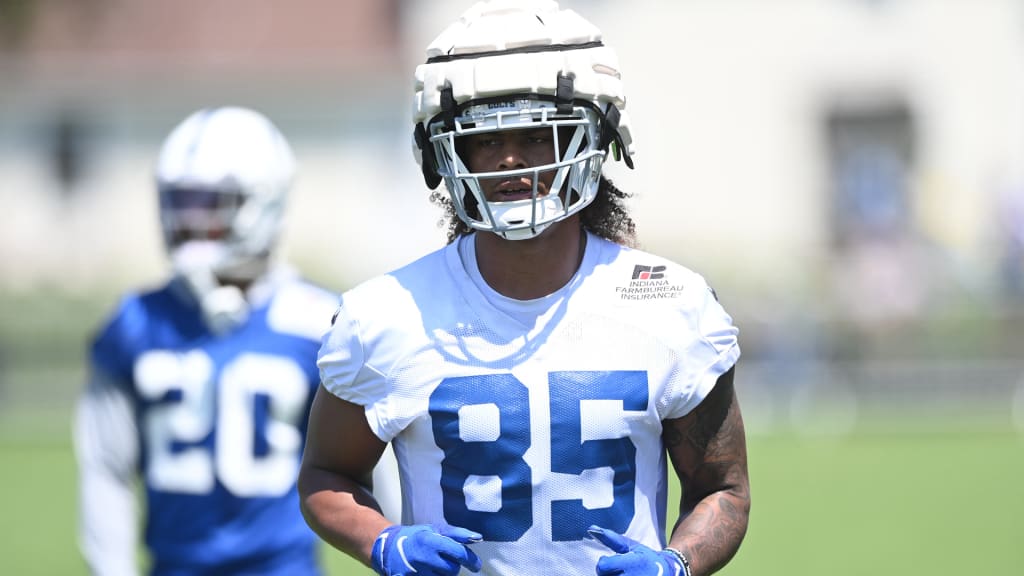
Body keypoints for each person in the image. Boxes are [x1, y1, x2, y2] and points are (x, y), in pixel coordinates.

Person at [298, 1, 750, 575]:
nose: (509, 161)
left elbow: (724, 489)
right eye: (485, 141)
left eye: (537, 135)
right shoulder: (384, 315)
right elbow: (326, 474)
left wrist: (676, 564)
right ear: (446, 152)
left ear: (595, 138)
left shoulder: (671, 305)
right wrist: (383, 540)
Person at [73, 106, 400, 576]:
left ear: (262, 202)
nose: (187, 221)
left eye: (207, 204)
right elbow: (106, 471)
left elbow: (378, 470)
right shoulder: (134, 322)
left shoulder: (323, 323)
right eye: (178, 202)